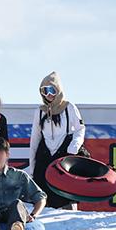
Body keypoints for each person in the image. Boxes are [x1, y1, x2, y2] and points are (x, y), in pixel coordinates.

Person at [28, 71, 87, 209]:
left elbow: (80, 128)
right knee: (43, 191)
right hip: (46, 154)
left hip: (65, 153)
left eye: (52, 90)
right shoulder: (40, 111)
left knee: (67, 189)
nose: (49, 94)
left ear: (59, 90)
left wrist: (73, 147)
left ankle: (69, 218)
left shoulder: (69, 107)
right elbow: (35, 138)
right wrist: (32, 166)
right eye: (45, 91)